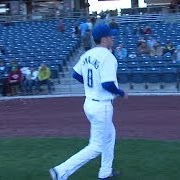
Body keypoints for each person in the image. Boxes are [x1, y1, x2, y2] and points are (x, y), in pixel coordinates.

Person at [49, 24, 128, 180]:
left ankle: (105, 171)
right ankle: (61, 171)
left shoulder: (88, 54)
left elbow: (76, 75)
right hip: (102, 106)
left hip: (89, 103)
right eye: (110, 36)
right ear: (104, 39)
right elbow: (107, 84)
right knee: (96, 146)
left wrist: (92, 84)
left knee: (110, 134)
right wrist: (121, 93)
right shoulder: (107, 56)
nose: (113, 38)